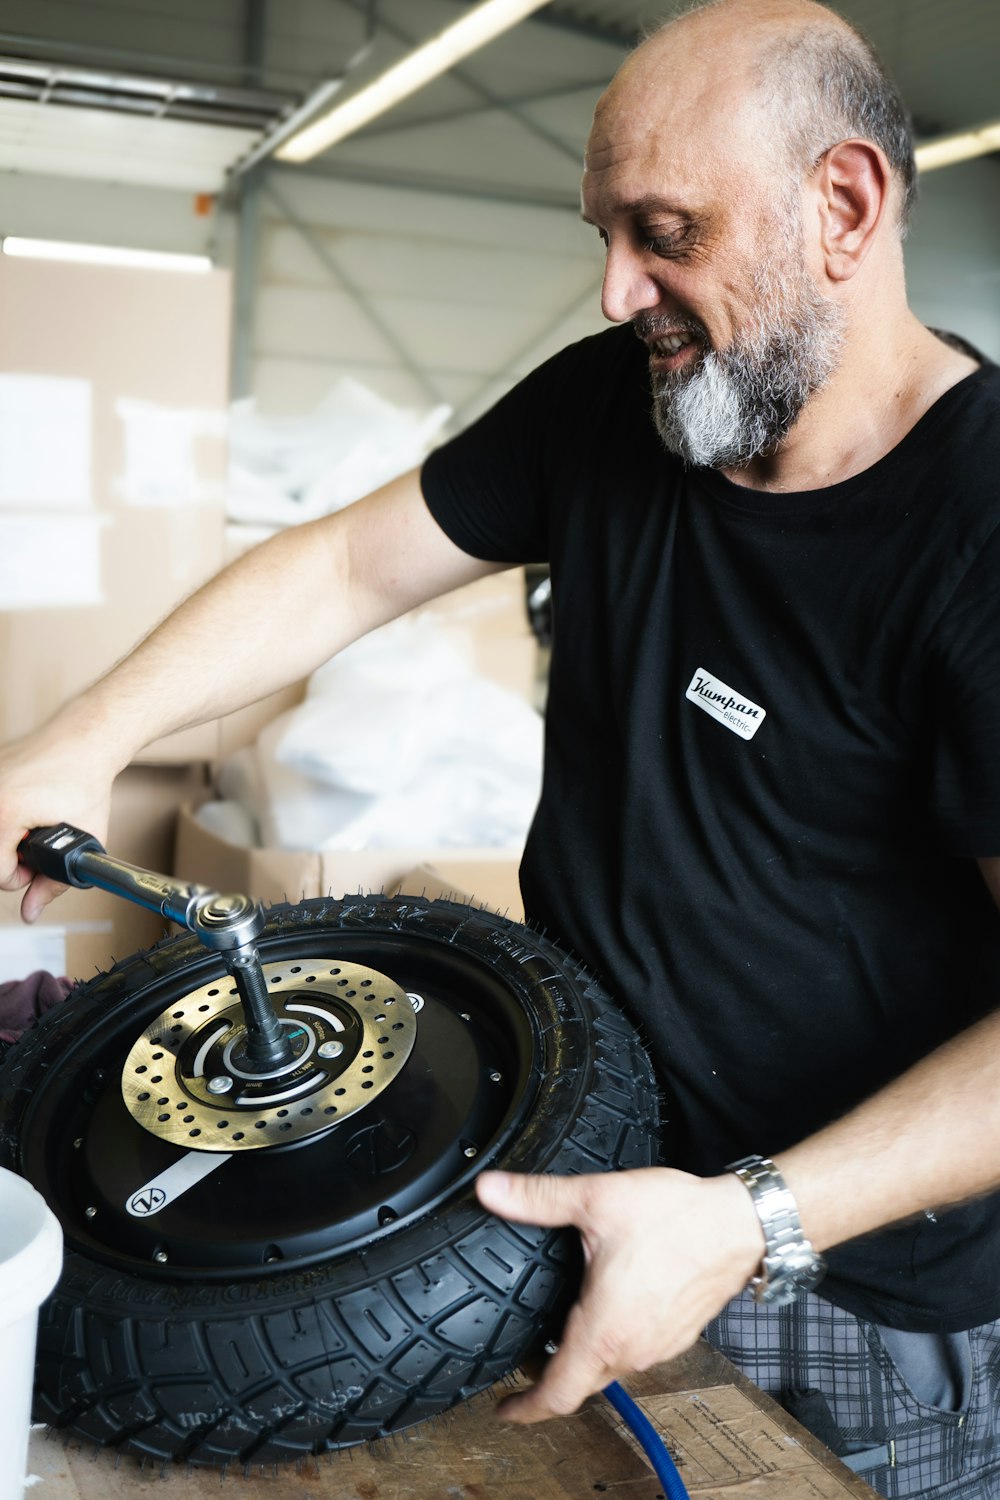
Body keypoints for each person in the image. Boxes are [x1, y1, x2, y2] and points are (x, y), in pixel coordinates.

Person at [3, 0, 1000, 1493]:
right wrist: (81, 738)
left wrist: (751, 1219)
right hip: (575, 1170)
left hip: (846, 1281)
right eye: (602, 231)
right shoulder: (627, 406)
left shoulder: (978, 535)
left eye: (664, 231)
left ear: (844, 207)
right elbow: (346, 566)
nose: (614, 291)